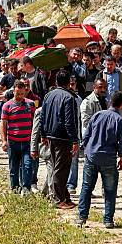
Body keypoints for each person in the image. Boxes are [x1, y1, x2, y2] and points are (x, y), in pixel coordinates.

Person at [76, 91, 122, 228]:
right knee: (110, 190)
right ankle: (108, 220)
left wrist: (86, 148)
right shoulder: (120, 121)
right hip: (109, 159)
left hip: (92, 156)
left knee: (86, 188)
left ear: (110, 101)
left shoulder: (97, 115)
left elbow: (86, 135)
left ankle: (82, 217)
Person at [39, 70, 79, 209]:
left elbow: (42, 117)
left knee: (58, 166)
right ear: (69, 82)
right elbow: (69, 121)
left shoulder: (48, 95)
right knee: (61, 168)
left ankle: (65, 197)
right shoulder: (69, 98)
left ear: (56, 82)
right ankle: (58, 199)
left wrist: (43, 134)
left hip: (50, 135)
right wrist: (75, 140)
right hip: (63, 137)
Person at [1, 80, 36, 194]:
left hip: (26, 142)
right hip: (13, 142)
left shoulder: (30, 104)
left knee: (27, 166)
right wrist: (3, 141)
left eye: (22, 94)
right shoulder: (7, 106)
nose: (20, 96)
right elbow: (3, 124)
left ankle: (26, 188)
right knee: (13, 168)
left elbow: (34, 121)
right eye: (17, 94)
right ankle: (15, 189)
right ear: (13, 92)